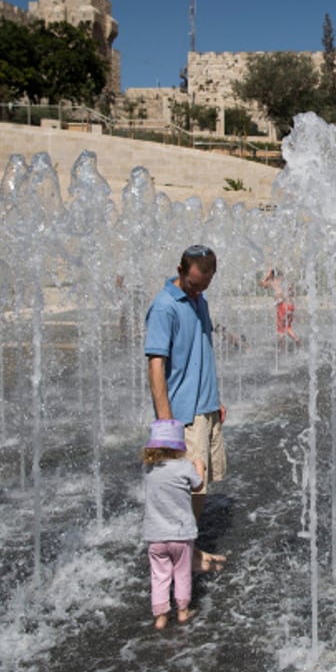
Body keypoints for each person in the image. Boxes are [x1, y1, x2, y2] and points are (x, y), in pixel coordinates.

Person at [145, 244, 227, 522]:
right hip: (182, 413)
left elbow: (200, 353)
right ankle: (183, 550)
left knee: (201, 484)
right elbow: (156, 365)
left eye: (204, 286)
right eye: (193, 285)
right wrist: (166, 422)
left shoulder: (198, 299)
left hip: (204, 407)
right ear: (180, 270)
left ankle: (186, 546)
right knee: (188, 485)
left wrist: (214, 401)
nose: (197, 291)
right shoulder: (164, 307)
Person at [142, 418, 200, 630]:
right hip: (181, 535)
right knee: (182, 572)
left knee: (159, 575)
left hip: (155, 536)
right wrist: (199, 467)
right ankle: (183, 611)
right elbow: (198, 484)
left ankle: (161, 616)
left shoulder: (149, 470)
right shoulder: (184, 467)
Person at [259, 268, 301, 347]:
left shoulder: (272, 282)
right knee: (287, 327)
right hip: (290, 306)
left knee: (280, 329)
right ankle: (297, 340)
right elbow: (293, 293)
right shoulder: (285, 282)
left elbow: (261, 284)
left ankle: (282, 350)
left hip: (282, 306)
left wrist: (266, 276)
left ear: (272, 275)